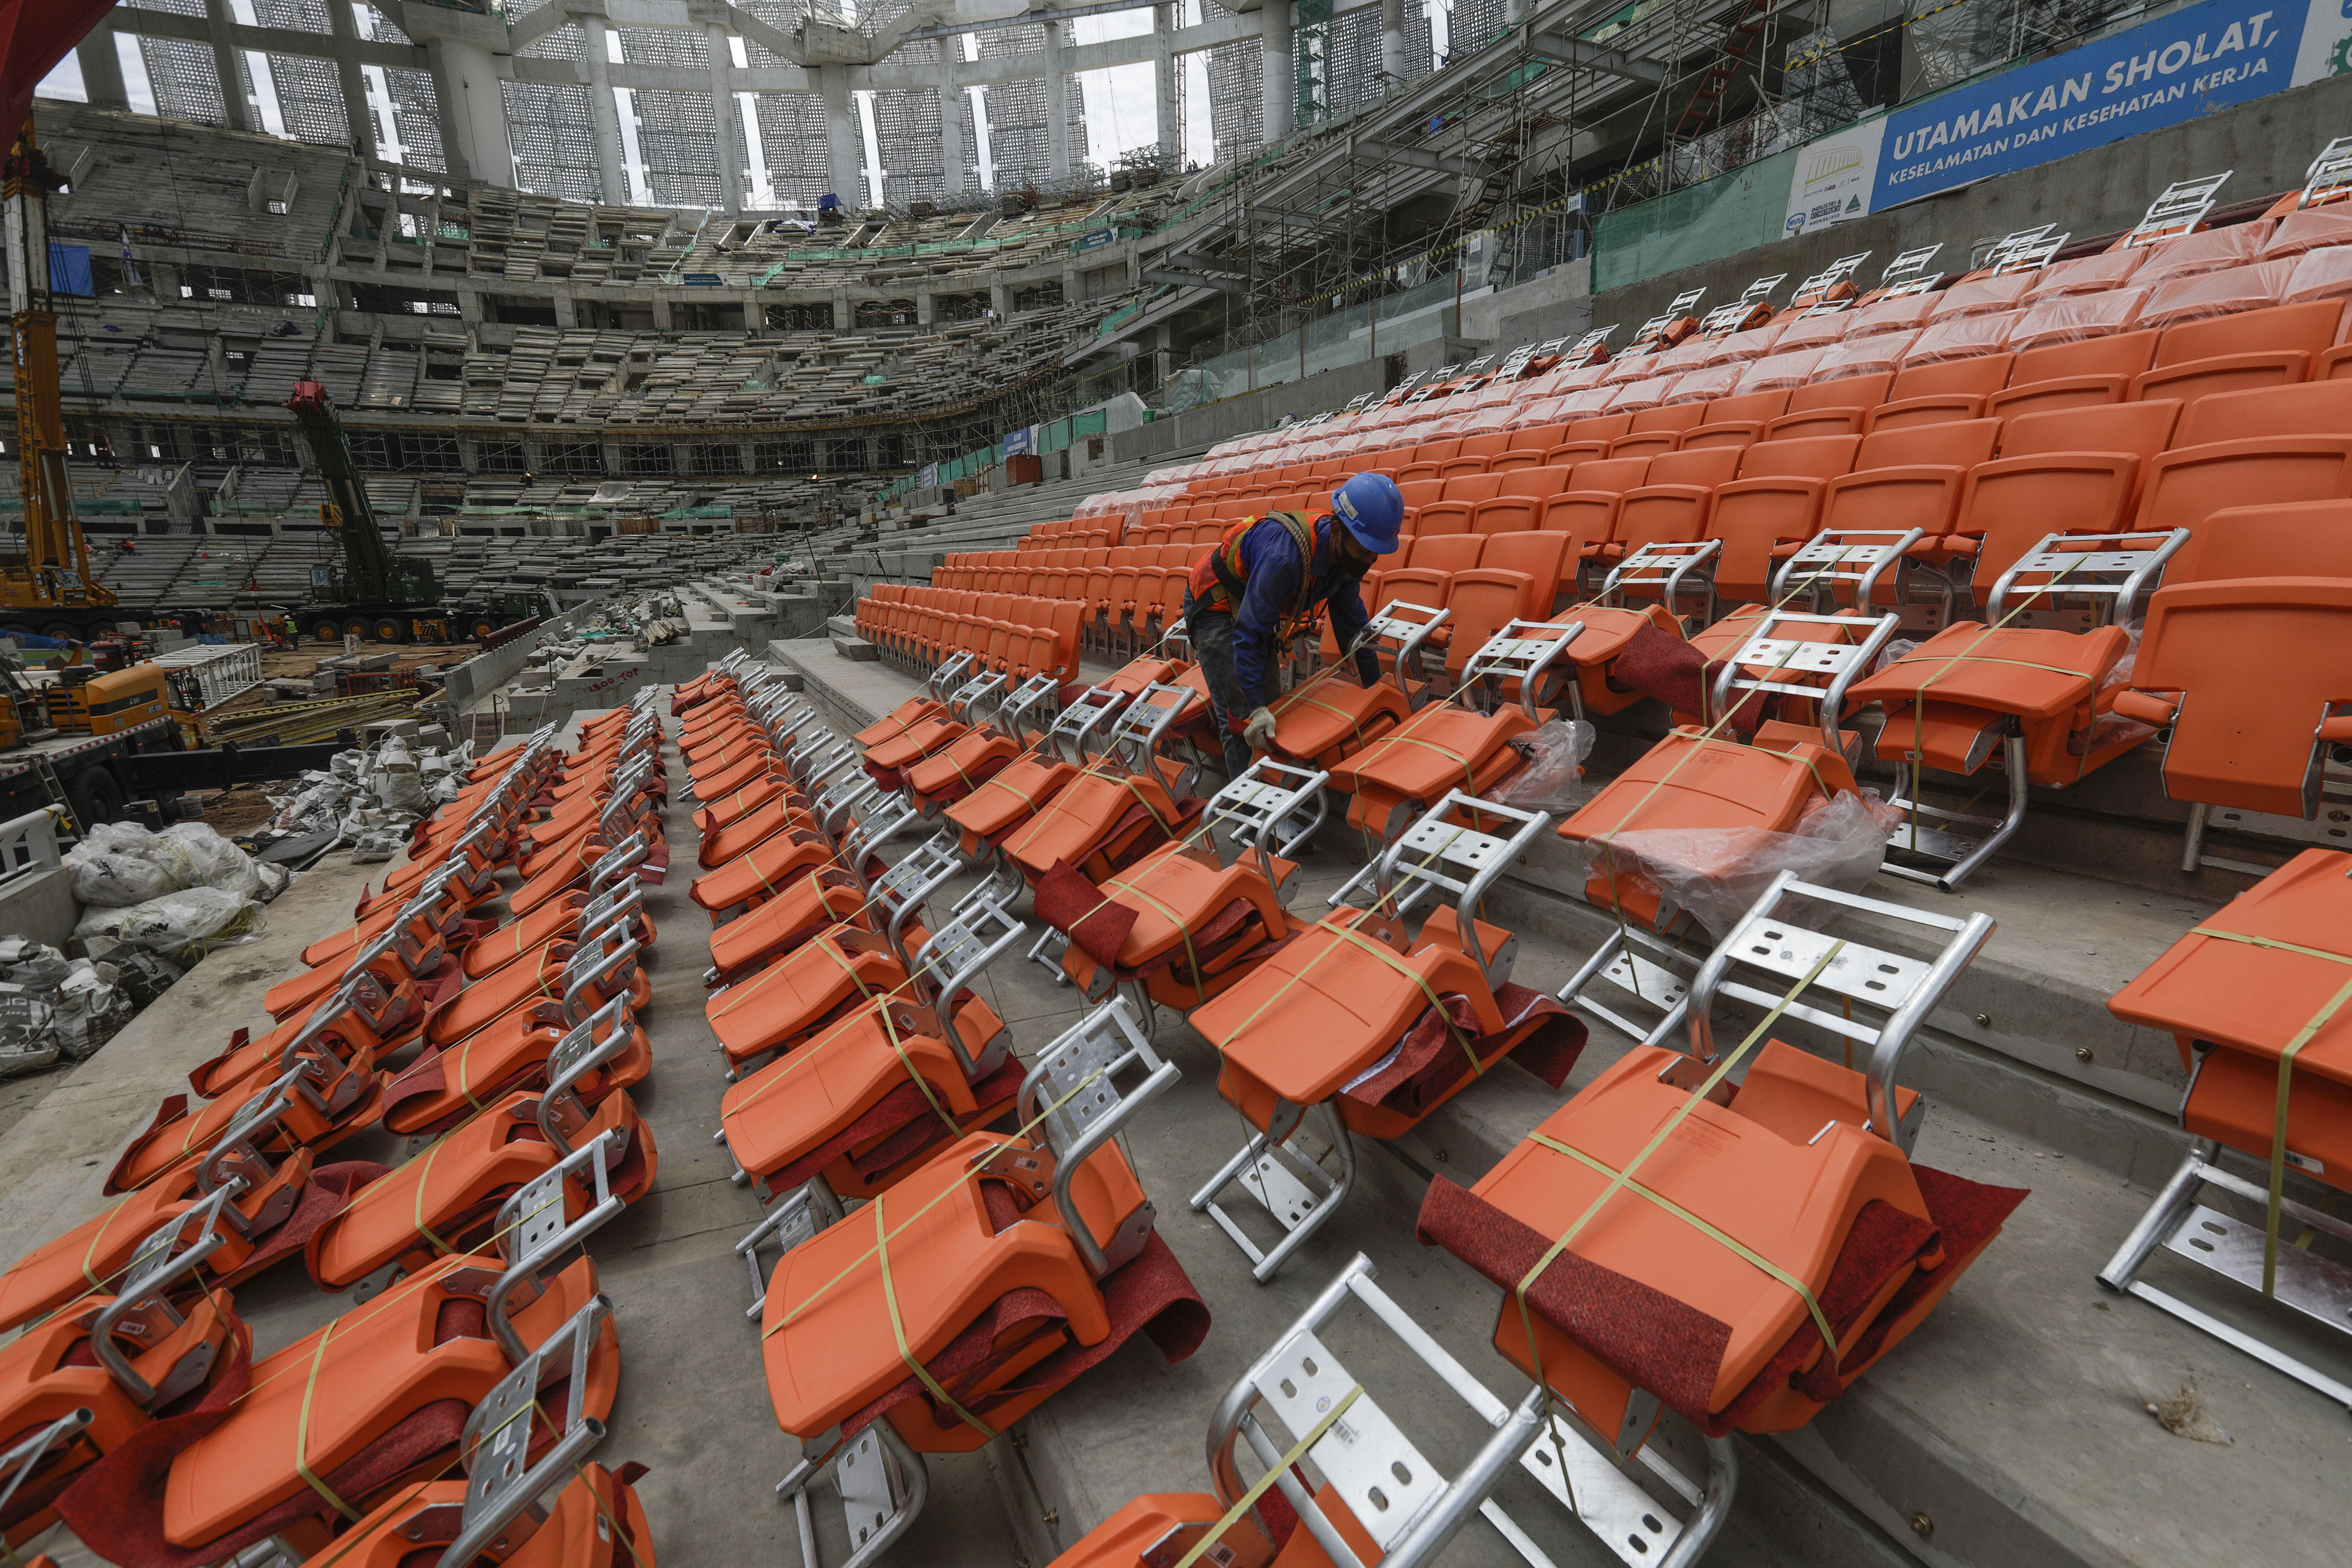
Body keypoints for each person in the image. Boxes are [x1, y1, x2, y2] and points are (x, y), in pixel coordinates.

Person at [1182, 472, 1403, 779]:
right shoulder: (1284, 557)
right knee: (1242, 718)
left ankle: (1273, 790)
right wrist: (1255, 709)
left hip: (1253, 606)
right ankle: (1243, 803)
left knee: (1276, 708)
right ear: (1337, 532)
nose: (1370, 559)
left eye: (1375, 552)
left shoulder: (1347, 555)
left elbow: (1351, 622)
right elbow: (1249, 632)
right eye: (1365, 551)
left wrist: (1375, 686)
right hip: (1216, 605)